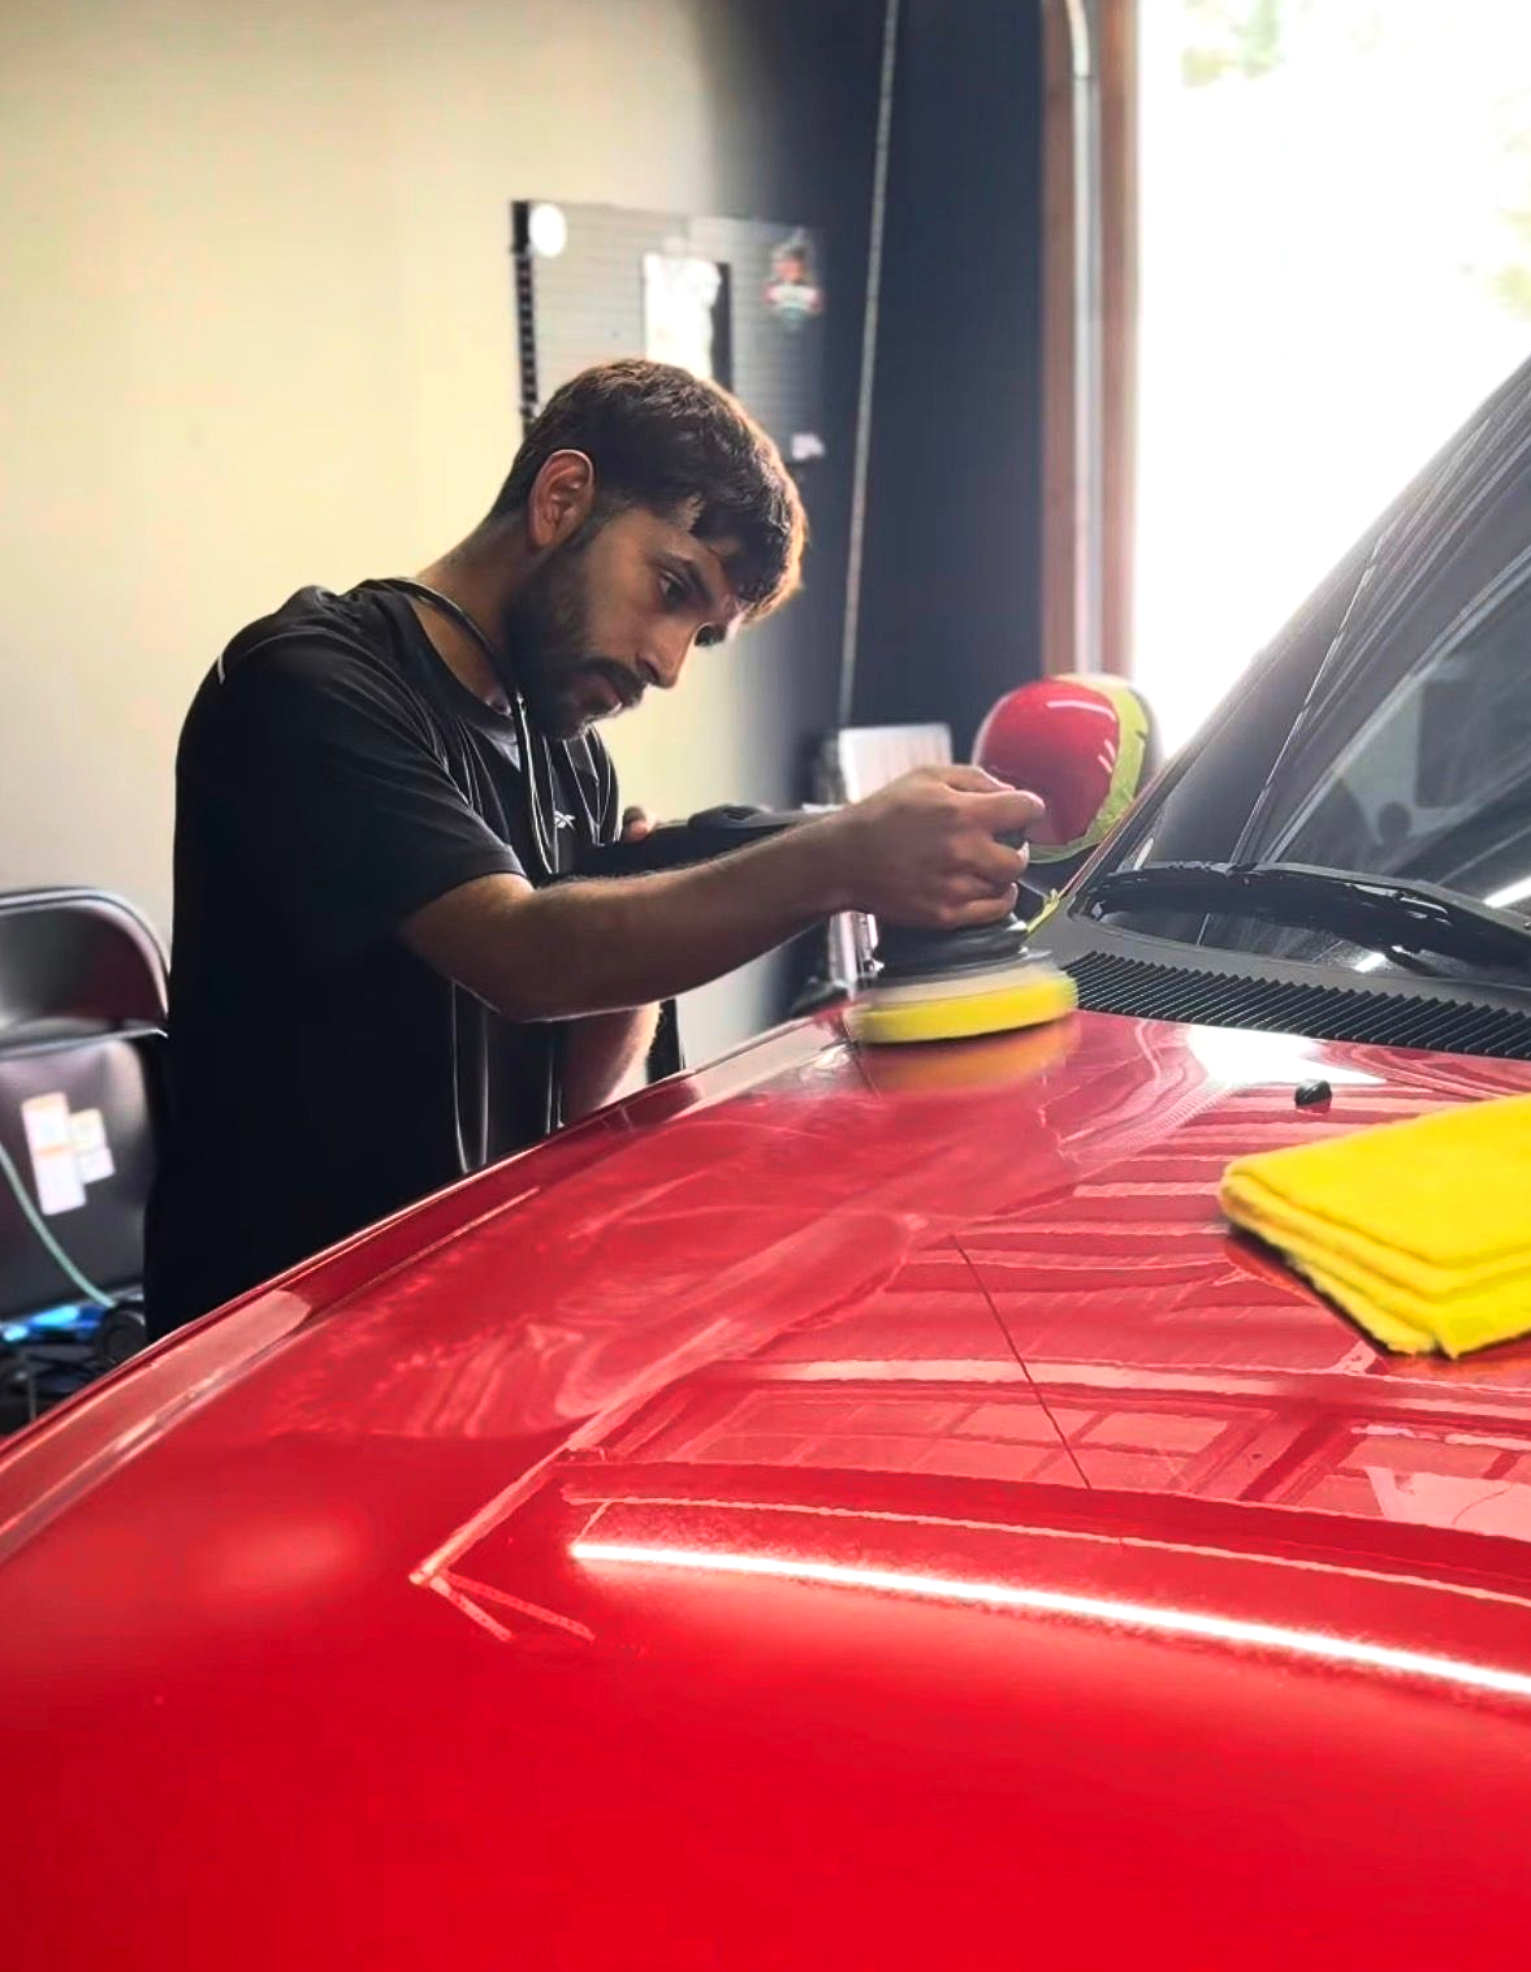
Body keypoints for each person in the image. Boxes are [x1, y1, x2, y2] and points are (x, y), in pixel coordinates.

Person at [145, 359, 1040, 1334]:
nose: (664, 665)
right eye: (669, 588)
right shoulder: (310, 684)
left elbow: (562, 1106)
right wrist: (840, 859)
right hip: (267, 1351)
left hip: (460, 1327)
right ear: (561, 498)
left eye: (698, 636)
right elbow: (519, 953)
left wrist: (645, 935)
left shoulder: (568, 758)